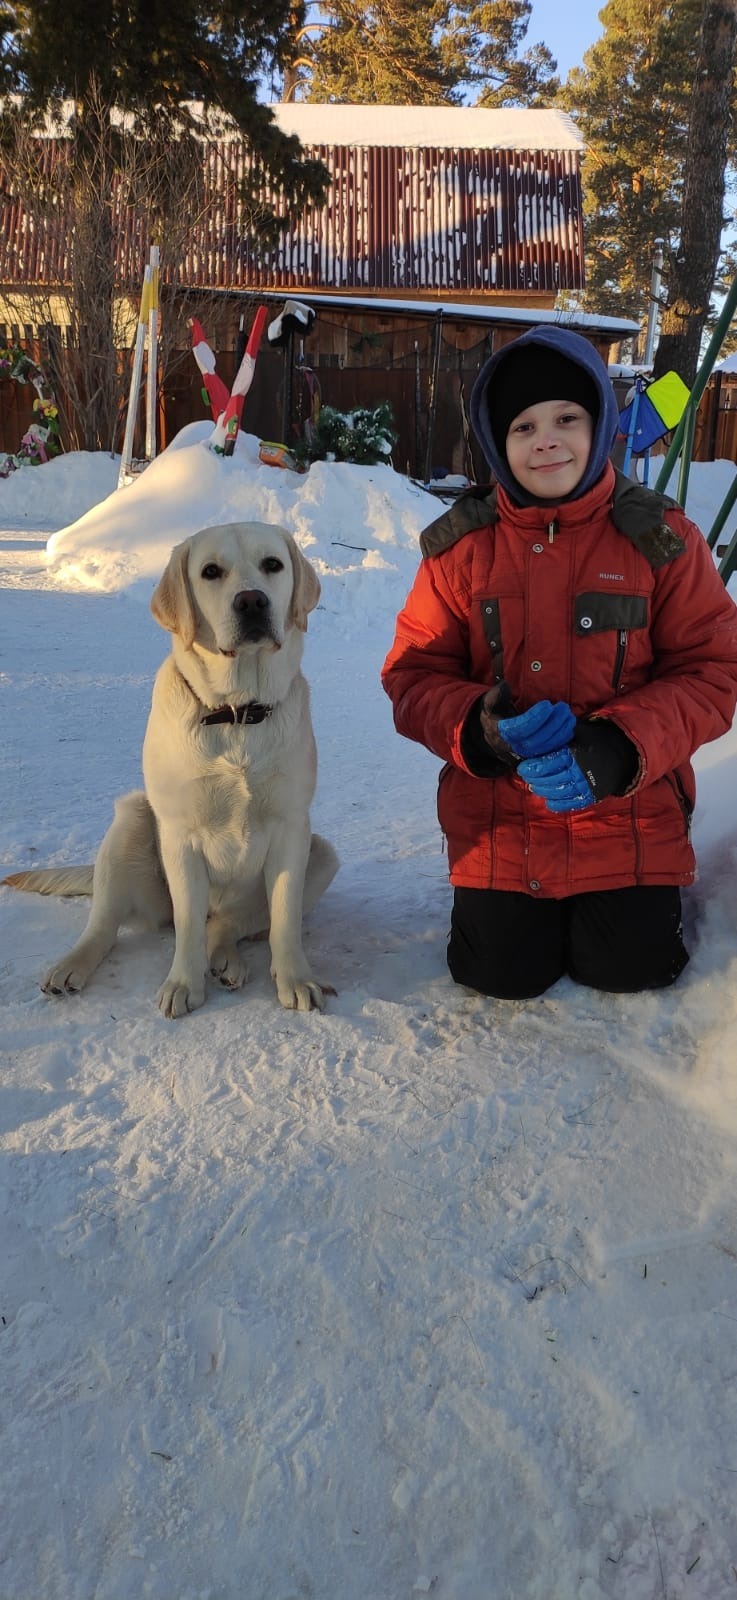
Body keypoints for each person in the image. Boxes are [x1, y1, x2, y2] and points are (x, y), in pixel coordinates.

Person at [381, 325, 737, 999]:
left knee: (632, 970)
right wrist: (476, 728)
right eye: (523, 427)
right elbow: (412, 675)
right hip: (500, 819)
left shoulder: (661, 539)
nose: (546, 439)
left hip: (627, 814)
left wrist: (616, 746)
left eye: (566, 419)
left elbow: (713, 670)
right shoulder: (458, 550)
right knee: (498, 976)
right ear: (494, 441)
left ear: (599, 423)